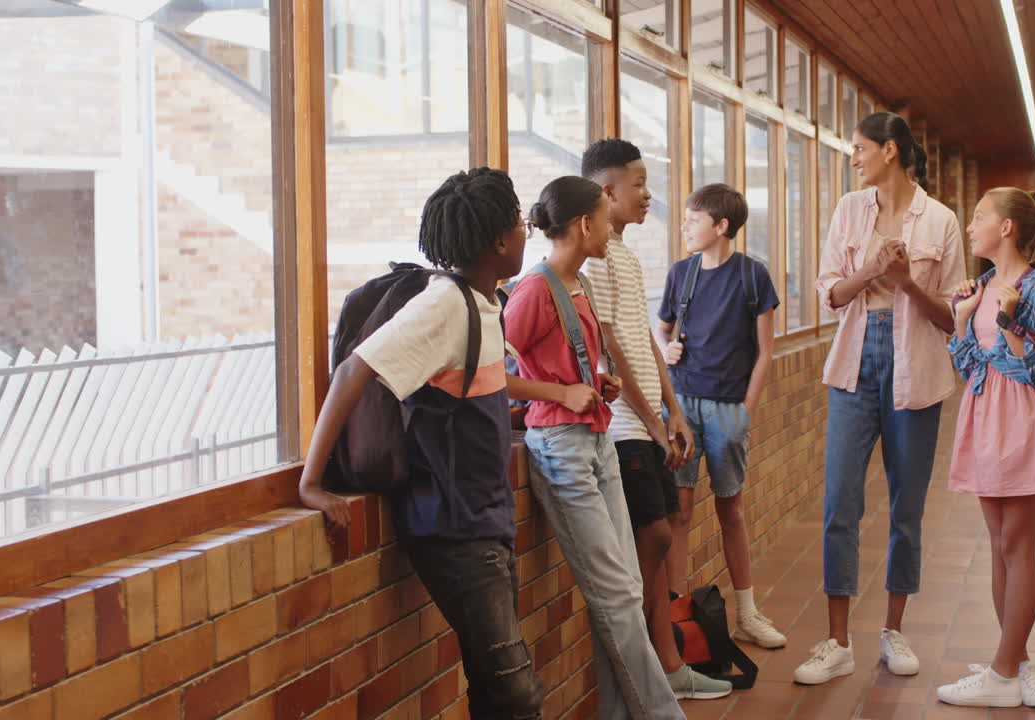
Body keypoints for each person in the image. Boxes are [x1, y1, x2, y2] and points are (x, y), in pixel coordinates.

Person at [298, 168, 543, 719]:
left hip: (484, 519)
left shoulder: (482, 302)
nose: (528, 233)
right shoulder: (446, 305)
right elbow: (352, 373)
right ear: (501, 239)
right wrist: (311, 483)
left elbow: (454, 401)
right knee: (517, 692)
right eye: (522, 223)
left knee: (494, 685)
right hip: (454, 529)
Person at [504, 176, 692, 717]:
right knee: (616, 595)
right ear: (584, 224)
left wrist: (595, 383)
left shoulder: (579, 282)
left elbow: (568, 359)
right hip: (560, 449)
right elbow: (493, 371)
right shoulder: (534, 289)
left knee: (625, 592)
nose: (612, 227)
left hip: (596, 439)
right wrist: (562, 390)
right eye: (605, 218)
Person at [795, 112, 965, 686]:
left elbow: (953, 319)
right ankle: (836, 640)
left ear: (890, 151)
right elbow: (829, 294)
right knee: (840, 503)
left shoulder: (940, 221)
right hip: (853, 364)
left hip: (915, 367)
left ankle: (895, 630)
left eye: (860, 148)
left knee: (906, 508)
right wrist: (871, 267)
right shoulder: (850, 210)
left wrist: (907, 282)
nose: (854, 157)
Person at [580, 140, 732, 699]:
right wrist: (650, 418)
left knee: (660, 539)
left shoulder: (621, 252)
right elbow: (610, 347)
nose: (649, 195)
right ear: (606, 191)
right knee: (655, 537)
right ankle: (659, 671)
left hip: (646, 421)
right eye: (639, 184)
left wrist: (674, 410)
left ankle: (661, 667)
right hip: (620, 427)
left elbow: (642, 336)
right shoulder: (590, 258)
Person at [935, 187, 1035, 707]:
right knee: (998, 545)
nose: (971, 225)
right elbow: (968, 368)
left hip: (1022, 419)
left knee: (1018, 544)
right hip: (985, 415)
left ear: (1007, 227)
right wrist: (963, 318)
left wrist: (1008, 323)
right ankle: (1017, 663)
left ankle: (1004, 670)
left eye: (979, 217)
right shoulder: (980, 286)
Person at [656, 182, 786, 650]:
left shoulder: (753, 276)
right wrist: (666, 348)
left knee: (730, 509)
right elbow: (663, 328)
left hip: (729, 407)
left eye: (693, 219)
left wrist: (745, 414)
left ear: (721, 226)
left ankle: (747, 614)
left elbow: (766, 352)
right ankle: (677, 617)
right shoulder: (680, 274)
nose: (686, 226)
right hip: (683, 406)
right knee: (680, 511)